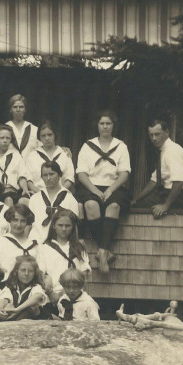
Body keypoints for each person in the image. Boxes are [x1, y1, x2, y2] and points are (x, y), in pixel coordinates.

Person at [76, 110, 130, 273]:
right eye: (102, 123)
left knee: (113, 207)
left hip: (114, 187)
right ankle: (106, 251)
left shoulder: (121, 146)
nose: (105, 126)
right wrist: (94, 190)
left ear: (113, 126)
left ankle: (101, 252)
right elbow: (81, 173)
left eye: (108, 123)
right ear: (97, 126)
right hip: (90, 187)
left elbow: (124, 173)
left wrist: (110, 190)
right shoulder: (87, 146)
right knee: (91, 205)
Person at [133, 119, 183, 216]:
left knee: (139, 208)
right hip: (169, 193)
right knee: (137, 204)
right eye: (151, 135)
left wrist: (165, 206)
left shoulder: (172, 151)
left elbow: (179, 181)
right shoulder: (164, 151)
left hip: (182, 196)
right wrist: (136, 199)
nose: (154, 138)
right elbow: (153, 182)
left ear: (167, 132)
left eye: (157, 134)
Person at [39, 209, 91, 304]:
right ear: (54, 226)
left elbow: (84, 274)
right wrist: (51, 293)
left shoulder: (79, 248)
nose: (63, 229)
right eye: (60, 225)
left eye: (67, 226)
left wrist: (67, 293)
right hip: (52, 297)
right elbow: (41, 273)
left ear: (72, 227)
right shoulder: (45, 248)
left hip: (75, 296)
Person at [27, 161, 80, 244]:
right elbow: (29, 225)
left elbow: (74, 227)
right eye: (45, 175)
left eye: (52, 174)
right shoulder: (35, 198)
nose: (48, 178)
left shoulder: (70, 199)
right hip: (36, 241)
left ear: (59, 175)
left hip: (59, 243)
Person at [0, 204, 39, 279]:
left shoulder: (33, 245)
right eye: (15, 220)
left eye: (23, 221)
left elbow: (39, 269)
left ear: (27, 222)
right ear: (9, 220)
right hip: (4, 286)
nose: (18, 225)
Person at [25, 121, 74, 193]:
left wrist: (59, 192)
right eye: (43, 136)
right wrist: (40, 193)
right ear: (39, 138)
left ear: (55, 135)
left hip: (61, 193)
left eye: (50, 135)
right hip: (38, 193)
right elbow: (29, 180)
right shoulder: (32, 155)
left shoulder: (64, 154)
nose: (47, 138)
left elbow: (70, 177)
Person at [0, 255, 48, 321]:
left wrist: (18, 309)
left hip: (34, 319)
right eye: (23, 270)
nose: (26, 274)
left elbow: (38, 296)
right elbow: (5, 298)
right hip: (17, 318)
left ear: (35, 273)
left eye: (30, 271)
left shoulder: (36, 287)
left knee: (27, 312)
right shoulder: (11, 286)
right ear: (16, 271)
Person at [4, 94, 39, 159]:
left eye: (21, 107)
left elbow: (43, 149)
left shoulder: (34, 129)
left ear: (25, 109)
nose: (18, 109)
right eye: (15, 107)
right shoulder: (4, 129)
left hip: (29, 167)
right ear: (10, 110)